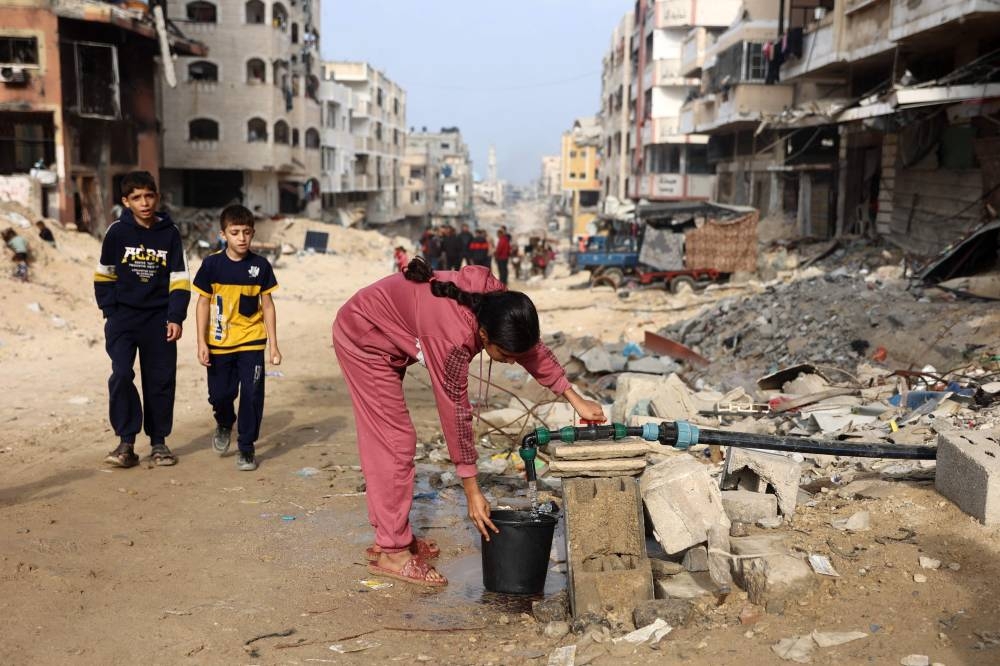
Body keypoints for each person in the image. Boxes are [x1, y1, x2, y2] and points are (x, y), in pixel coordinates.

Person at [332, 259, 605, 587]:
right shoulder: (451, 337)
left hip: (388, 331)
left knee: (391, 441)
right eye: (505, 355)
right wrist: (472, 491)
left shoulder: (496, 302)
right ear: (484, 334)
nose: (512, 362)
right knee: (393, 442)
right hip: (364, 338)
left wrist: (575, 398)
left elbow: (531, 349)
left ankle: (391, 535)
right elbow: (455, 414)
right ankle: (392, 551)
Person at [94, 171, 191, 467]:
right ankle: (126, 443)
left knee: (160, 379)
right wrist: (110, 311)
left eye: (149, 196)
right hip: (123, 319)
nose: (144, 202)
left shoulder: (170, 233)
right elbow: (104, 274)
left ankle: (159, 443)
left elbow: (179, 278)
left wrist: (175, 316)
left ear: (156, 198)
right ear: (126, 201)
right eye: (136, 197)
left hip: (159, 320)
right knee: (121, 374)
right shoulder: (117, 233)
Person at [193, 204, 281, 472]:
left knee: (252, 394)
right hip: (219, 342)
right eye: (235, 232)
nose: (241, 238)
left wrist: (274, 345)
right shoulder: (211, 265)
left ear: (253, 233)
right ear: (223, 234)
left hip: (252, 341)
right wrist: (201, 342)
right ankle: (223, 422)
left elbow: (267, 305)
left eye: (246, 232)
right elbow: (202, 304)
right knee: (220, 394)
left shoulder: (260, 266)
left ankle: (246, 447)